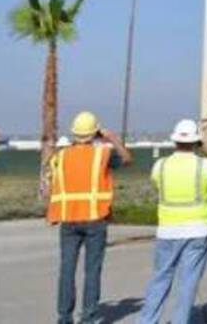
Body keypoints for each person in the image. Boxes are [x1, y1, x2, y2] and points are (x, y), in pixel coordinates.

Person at [139, 118, 207, 324]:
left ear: (174, 141)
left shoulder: (160, 166)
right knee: (188, 283)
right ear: (196, 142)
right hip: (197, 230)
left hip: (167, 230)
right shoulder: (205, 166)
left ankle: (147, 321)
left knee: (160, 279)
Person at [49, 111, 133, 324]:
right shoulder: (102, 155)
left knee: (67, 269)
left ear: (75, 133)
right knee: (92, 270)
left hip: (68, 219)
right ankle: (89, 317)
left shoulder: (61, 156)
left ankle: (64, 317)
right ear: (95, 132)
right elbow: (127, 159)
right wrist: (112, 138)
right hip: (95, 218)